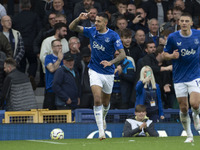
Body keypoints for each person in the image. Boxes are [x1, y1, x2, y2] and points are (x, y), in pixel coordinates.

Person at [69, 12, 126, 140]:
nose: (96, 23)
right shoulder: (92, 31)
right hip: (94, 70)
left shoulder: (113, 35)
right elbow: (72, 27)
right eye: (95, 21)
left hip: (109, 72)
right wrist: (78, 18)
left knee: (106, 103)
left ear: (105, 23)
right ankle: (101, 131)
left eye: (99, 21)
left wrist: (110, 62)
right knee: (97, 99)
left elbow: (122, 54)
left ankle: (103, 117)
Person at [163, 13, 200, 143]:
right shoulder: (173, 37)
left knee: (195, 104)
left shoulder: (197, 35)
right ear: (179, 23)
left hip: (195, 75)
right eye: (182, 21)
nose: (184, 23)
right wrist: (171, 56)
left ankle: (196, 115)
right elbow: (164, 54)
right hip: (179, 77)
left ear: (191, 23)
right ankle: (189, 135)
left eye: (187, 21)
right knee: (183, 108)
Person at [44, 39, 63, 110]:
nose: (60, 47)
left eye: (60, 45)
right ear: (52, 48)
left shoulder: (66, 58)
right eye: (57, 46)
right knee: (49, 114)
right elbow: (51, 69)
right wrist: (59, 60)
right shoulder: (48, 57)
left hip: (62, 90)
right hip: (51, 90)